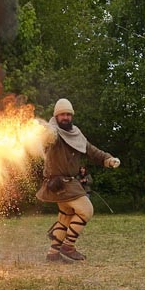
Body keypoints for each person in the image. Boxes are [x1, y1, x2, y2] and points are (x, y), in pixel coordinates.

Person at [36, 99, 121, 263]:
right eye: (62, 114)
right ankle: (68, 246)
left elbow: (92, 151)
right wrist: (44, 131)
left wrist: (109, 159)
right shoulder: (52, 133)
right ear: (56, 116)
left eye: (68, 114)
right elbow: (46, 138)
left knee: (66, 216)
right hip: (60, 183)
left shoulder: (76, 134)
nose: (66, 117)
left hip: (68, 183)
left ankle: (53, 254)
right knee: (86, 210)